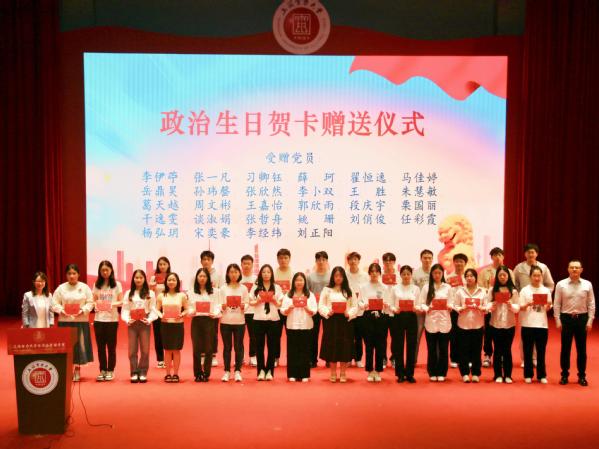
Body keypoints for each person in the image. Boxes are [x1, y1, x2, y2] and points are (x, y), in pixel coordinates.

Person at [554, 260, 595, 386]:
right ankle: (564, 375)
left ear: (581, 270)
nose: (574, 270)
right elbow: (557, 304)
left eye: (577, 267)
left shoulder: (587, 284)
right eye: (572, 267)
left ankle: (582, 376)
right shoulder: (561, 284)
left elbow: (591, 303)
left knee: (581, 349)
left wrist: (590, 320)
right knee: (565, 349)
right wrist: (557, 320)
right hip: (566, 319)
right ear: (568, 269)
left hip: (582, 319)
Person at [52, 264, 94, 381]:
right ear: (66, 275)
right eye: (69, 273)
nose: (72, 276)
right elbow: (54, 303)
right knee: (66, 346)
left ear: (78, 274)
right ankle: (67, 369)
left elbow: (90, 302)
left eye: (74, 273)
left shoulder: (84, 287)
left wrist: (82, 310)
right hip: (64, 320)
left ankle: (77, 370)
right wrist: (61, 310)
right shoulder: (61, 288)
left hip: (80, 320)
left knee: (79, 346)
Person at [319, 266, 358, 382]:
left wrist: (349, 313)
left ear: (344, 277)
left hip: (345, 322)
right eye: (336, 276)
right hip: (331, 321)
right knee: (332, 346)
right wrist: (327, 311)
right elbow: (321, 305)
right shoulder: (326, 290)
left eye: (340, 276)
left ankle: (343, 372)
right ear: (332, 277)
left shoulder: (349, 290)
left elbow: (355, 306)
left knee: (344, 346)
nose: (338, 278)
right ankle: (332, 372)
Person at [477, 247, 513, 367]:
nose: (498, 257)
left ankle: (501, 355)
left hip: (504, 307)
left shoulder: (509, 272)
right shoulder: (484, 272)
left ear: (503, 257)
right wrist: (491, 294)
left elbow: (512, 288)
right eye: (495, 255)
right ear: (491, 257)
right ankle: (487, 354)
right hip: (491, 305)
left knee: (503, 332)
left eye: (500, 255)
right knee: (488, 332)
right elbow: (480, 288)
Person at [121, 269, 158, 383]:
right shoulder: (128, 293)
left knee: (145, 350)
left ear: (144, 279)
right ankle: (134, 372)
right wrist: (127, 319)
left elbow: (153, 309)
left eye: (141, 277)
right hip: (132, 323)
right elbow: (125, 309)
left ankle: (143, 371)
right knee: (132, 350)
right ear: (133, 279)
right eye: (136, 277)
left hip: (144, 322)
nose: (138, 280)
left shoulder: (150, 293)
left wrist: (149, 319)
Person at [280, 272, 318, 382]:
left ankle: (304, 374)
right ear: (293, 282)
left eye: (301, 280)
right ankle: (292, 374)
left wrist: (307, 308)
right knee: (292, 350)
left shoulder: (310, 295)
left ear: (305, 282)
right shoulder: (288, 295)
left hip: (306, 325)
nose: (299, 282)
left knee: (305, 350)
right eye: (297, 280)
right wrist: (289, 308)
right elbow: (282, 310)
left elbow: (314, 310)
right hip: (292, 325)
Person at [249, 264, 284, 381]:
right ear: (260, 274)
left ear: (272, 274)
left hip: (273, 319)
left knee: (272, 346)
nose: (266, 274)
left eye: (268, 272)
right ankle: (261, 370)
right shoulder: (256, 287)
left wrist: (273, 300)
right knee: (259, 347)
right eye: (264, 272)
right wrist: (258, 301)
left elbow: (280, 304)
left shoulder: (277, 287)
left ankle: (270, 371)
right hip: (258, 319)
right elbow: (250, 302)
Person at [486, 266, 520, 383]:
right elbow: (486, 306)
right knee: (497, 350)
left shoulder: (513, 291)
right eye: (500, 275)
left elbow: (517, 307)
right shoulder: (492, 290)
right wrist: (492, 305)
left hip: (509, 324)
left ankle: (508, 375)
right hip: (495, 324)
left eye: (504, 275)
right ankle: (498, 375)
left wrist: (511, 305)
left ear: (508, 276)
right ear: (497, 277)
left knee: (507, 350)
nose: (502, 277)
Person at [519, 265, 552, 384]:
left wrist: (548, 305)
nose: (537, 278)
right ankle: (528, 374)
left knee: (541, 351)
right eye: (534, 275)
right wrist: (528, 304)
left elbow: (548, 307)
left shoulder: (546, 290)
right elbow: (520, 307)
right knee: (527, 351)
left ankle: (541, 375)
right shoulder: (525, 290)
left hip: (542, 325)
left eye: (539, 275)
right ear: (530, 276)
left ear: (542, 276)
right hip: (527, 324)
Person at [419, 264, 452, 382]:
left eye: (439, 273)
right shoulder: (426, 287)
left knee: (443, 348)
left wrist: (449, 306)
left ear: (442, 274)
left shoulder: (447, 287)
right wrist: (428, 308)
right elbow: (421, 303)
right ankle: (432, 372)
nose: (437, 275)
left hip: (444, 322)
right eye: (435, 273)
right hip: (431, 322)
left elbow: (451, 302)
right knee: (431, 349)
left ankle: (442, 372)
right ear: (431, 274)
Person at [453, 268, 487, 383]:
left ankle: (476, 373)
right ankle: (465, 373)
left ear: (476, 278)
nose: (469, 278)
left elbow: (487, 306)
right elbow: (455, 305)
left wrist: (482, 308)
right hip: (463, 324)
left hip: (477, 324)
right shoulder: (460, 291)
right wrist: (460, 308)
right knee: (463, 350)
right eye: (467, 276)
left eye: (471, 276)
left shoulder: (482, 291)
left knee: (477, 350)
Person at [188, 268, 221, 382]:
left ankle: (206, 373)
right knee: (196, 348)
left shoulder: (215, 291)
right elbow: (188, 307)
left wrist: (215, 313)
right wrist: (191, 311)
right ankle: (197, 373)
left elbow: (218, 305)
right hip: (196, 320)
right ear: (196, 278)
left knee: (209, 348)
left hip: (209, 320)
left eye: (204, 276)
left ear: (208, 278)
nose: (202, 278)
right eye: (200, 276)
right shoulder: (191, 292)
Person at [358, 263, 390, 382]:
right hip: (367, 316)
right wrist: (364, 305)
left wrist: (386, 304)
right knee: (369, 344)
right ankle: (370, 370)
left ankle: (378, 370)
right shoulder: (363, 287)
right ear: (369, 273)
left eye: (376, 271)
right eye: (372, 271)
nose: (374, 273)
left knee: (380, 344)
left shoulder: (385, 287)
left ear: (380, 273)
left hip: (381, 317)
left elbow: (388, 302)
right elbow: (359, 302)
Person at [92, 260, 123, 382]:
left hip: (112, 320)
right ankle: (102, 370)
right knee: (100, 347)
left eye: (107, 270)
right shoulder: (96, 284)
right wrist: (96, 305)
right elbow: (93, 301)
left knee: (111, 347)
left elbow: (121, 302)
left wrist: (110, 304)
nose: (105, 272)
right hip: (99, 319)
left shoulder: (117, 285)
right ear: (99, 272)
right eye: (102, 270)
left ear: (111, 271)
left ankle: (110, 370)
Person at [390, 265, 421, 383]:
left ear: (411, 275)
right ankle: (400, 374)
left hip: (411, 316)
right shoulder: (395, 288)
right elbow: (391, 303)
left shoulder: (416, 289)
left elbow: (419, 303)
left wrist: (416, 308)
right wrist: (394, 309)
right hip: (398, 317)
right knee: (398, 345)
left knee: (411, 344)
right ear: (400, 275)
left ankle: (410, 374)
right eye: (404, 274)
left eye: (408, 274)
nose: (406, 276)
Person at [219, 263, 249, 382]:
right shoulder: (223, 288)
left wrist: (244, 306)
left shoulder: (243, 288)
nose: (233, 274)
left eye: (236, 272)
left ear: (239, 273)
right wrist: (222, 306)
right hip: (225, 321)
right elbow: (218, 304)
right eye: (231, 272)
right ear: (227, 274)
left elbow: (247, 303)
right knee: (227, 347)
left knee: (238, 346)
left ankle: (237, 371)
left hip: (239, 321)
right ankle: (226, 371)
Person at [156, 273, 188, 382]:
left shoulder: (182, 295)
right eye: (169, 280)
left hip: (178, 325)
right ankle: (168, 374)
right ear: (166, 282)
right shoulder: (161, 295)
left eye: (173, 280)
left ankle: (176, 374)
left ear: (177, 282)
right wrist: (161, 316)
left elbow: (187, 309)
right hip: (165, 325)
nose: (171, 282)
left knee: (176, 350)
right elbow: (157, 309)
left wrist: (182, 314)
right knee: (168, 350)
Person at [307, 251, 331, 368]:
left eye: (323, 259)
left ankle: (328, 359)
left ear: (327, 261)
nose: (321, 262)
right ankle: (312, 359)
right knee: (313, 334)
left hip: (327, 308)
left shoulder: (331, 275)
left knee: (328, 334)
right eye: (319, 260)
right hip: (314, 308)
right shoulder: (310, 276)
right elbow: (307, 292)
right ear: (316, 261)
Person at [199, 250, 223, 367]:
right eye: (204, 259)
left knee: (213, 333)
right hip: (200, 310)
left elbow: (221, 291)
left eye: (208, 259)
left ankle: (213, 355)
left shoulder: (218, 276)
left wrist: (218, 308)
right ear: (201, 261)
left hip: (213, 309)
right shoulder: (198, 275)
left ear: (212, 261)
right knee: (201, 333)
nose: (206, 261)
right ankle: (202, 355)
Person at [346, 251, 368, 368]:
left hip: (360, 310)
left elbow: (367, 291)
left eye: (355, 259)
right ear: (348, 261)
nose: (353, 261)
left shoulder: (364, 275)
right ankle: (349, 358)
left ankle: (358, 358)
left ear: (359, 261)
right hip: (348, 309)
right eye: (351, 259)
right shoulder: (345, 274)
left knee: (359, 336)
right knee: (348, 336)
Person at [446, 253, 467, 368]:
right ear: (453, 263)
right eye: (457, 261)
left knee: (465, 334)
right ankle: (454, 358)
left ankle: (466, 358)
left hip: (466, 309)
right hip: (453, 310)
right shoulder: (448, 278)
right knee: (453, 334)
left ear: (465, 263)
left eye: (461, 261)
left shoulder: (468, 276)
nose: (459, 263)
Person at [412, 249, 433, 364]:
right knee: (416, 336)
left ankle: (434, 361)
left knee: (434, 336)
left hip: (433, 309)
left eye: (429, 258)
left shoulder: (436, 271)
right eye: (425, 258)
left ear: (432, 259)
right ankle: (413, 360)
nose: (427, 260)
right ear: (421, 259)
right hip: (419, 309)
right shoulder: (415, 273)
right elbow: (412, 291)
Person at [149, 256, 170, 369]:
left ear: (168, 265)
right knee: (158, 334)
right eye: (160, 264)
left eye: (164, 264)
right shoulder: (153, 278)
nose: (162, 266)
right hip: (157, 308)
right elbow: (150, 294)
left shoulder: (171, 277)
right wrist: (151, 288)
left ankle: (169, 357)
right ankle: (160, 359)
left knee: (169, 333)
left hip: (169, 307)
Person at [274, 248, 293, 366]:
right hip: (276, 308)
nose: (283, 260)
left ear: (289, 259)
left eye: (286, 258)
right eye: (281, 258)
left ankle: (291, 358)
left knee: (291, 335)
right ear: (277, 259)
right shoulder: (273, 273)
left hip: (290, 309)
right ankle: (275, 358)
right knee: (276, 335)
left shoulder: (294, 274)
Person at [381, 252, 398, 368]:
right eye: (386, 261)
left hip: (395, 311)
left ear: (394, 262)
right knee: (382, 337)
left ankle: (394, 358)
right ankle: (383, 358)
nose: (388, 263)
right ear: (383, 262)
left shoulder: (399, 277)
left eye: (390, 261)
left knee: (395, 337)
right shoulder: (379, 276)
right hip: (382, 311)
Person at [240, 254, 257, 366]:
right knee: (239, 336)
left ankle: (253, 356)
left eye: (249, 263)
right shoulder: (238, 278)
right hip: (240, 311)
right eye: (244, 263)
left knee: (254, 335)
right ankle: (240, 357)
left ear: (252, 265)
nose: (246, 266)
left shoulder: (256, 279)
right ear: (241, 265)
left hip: (252, 311)